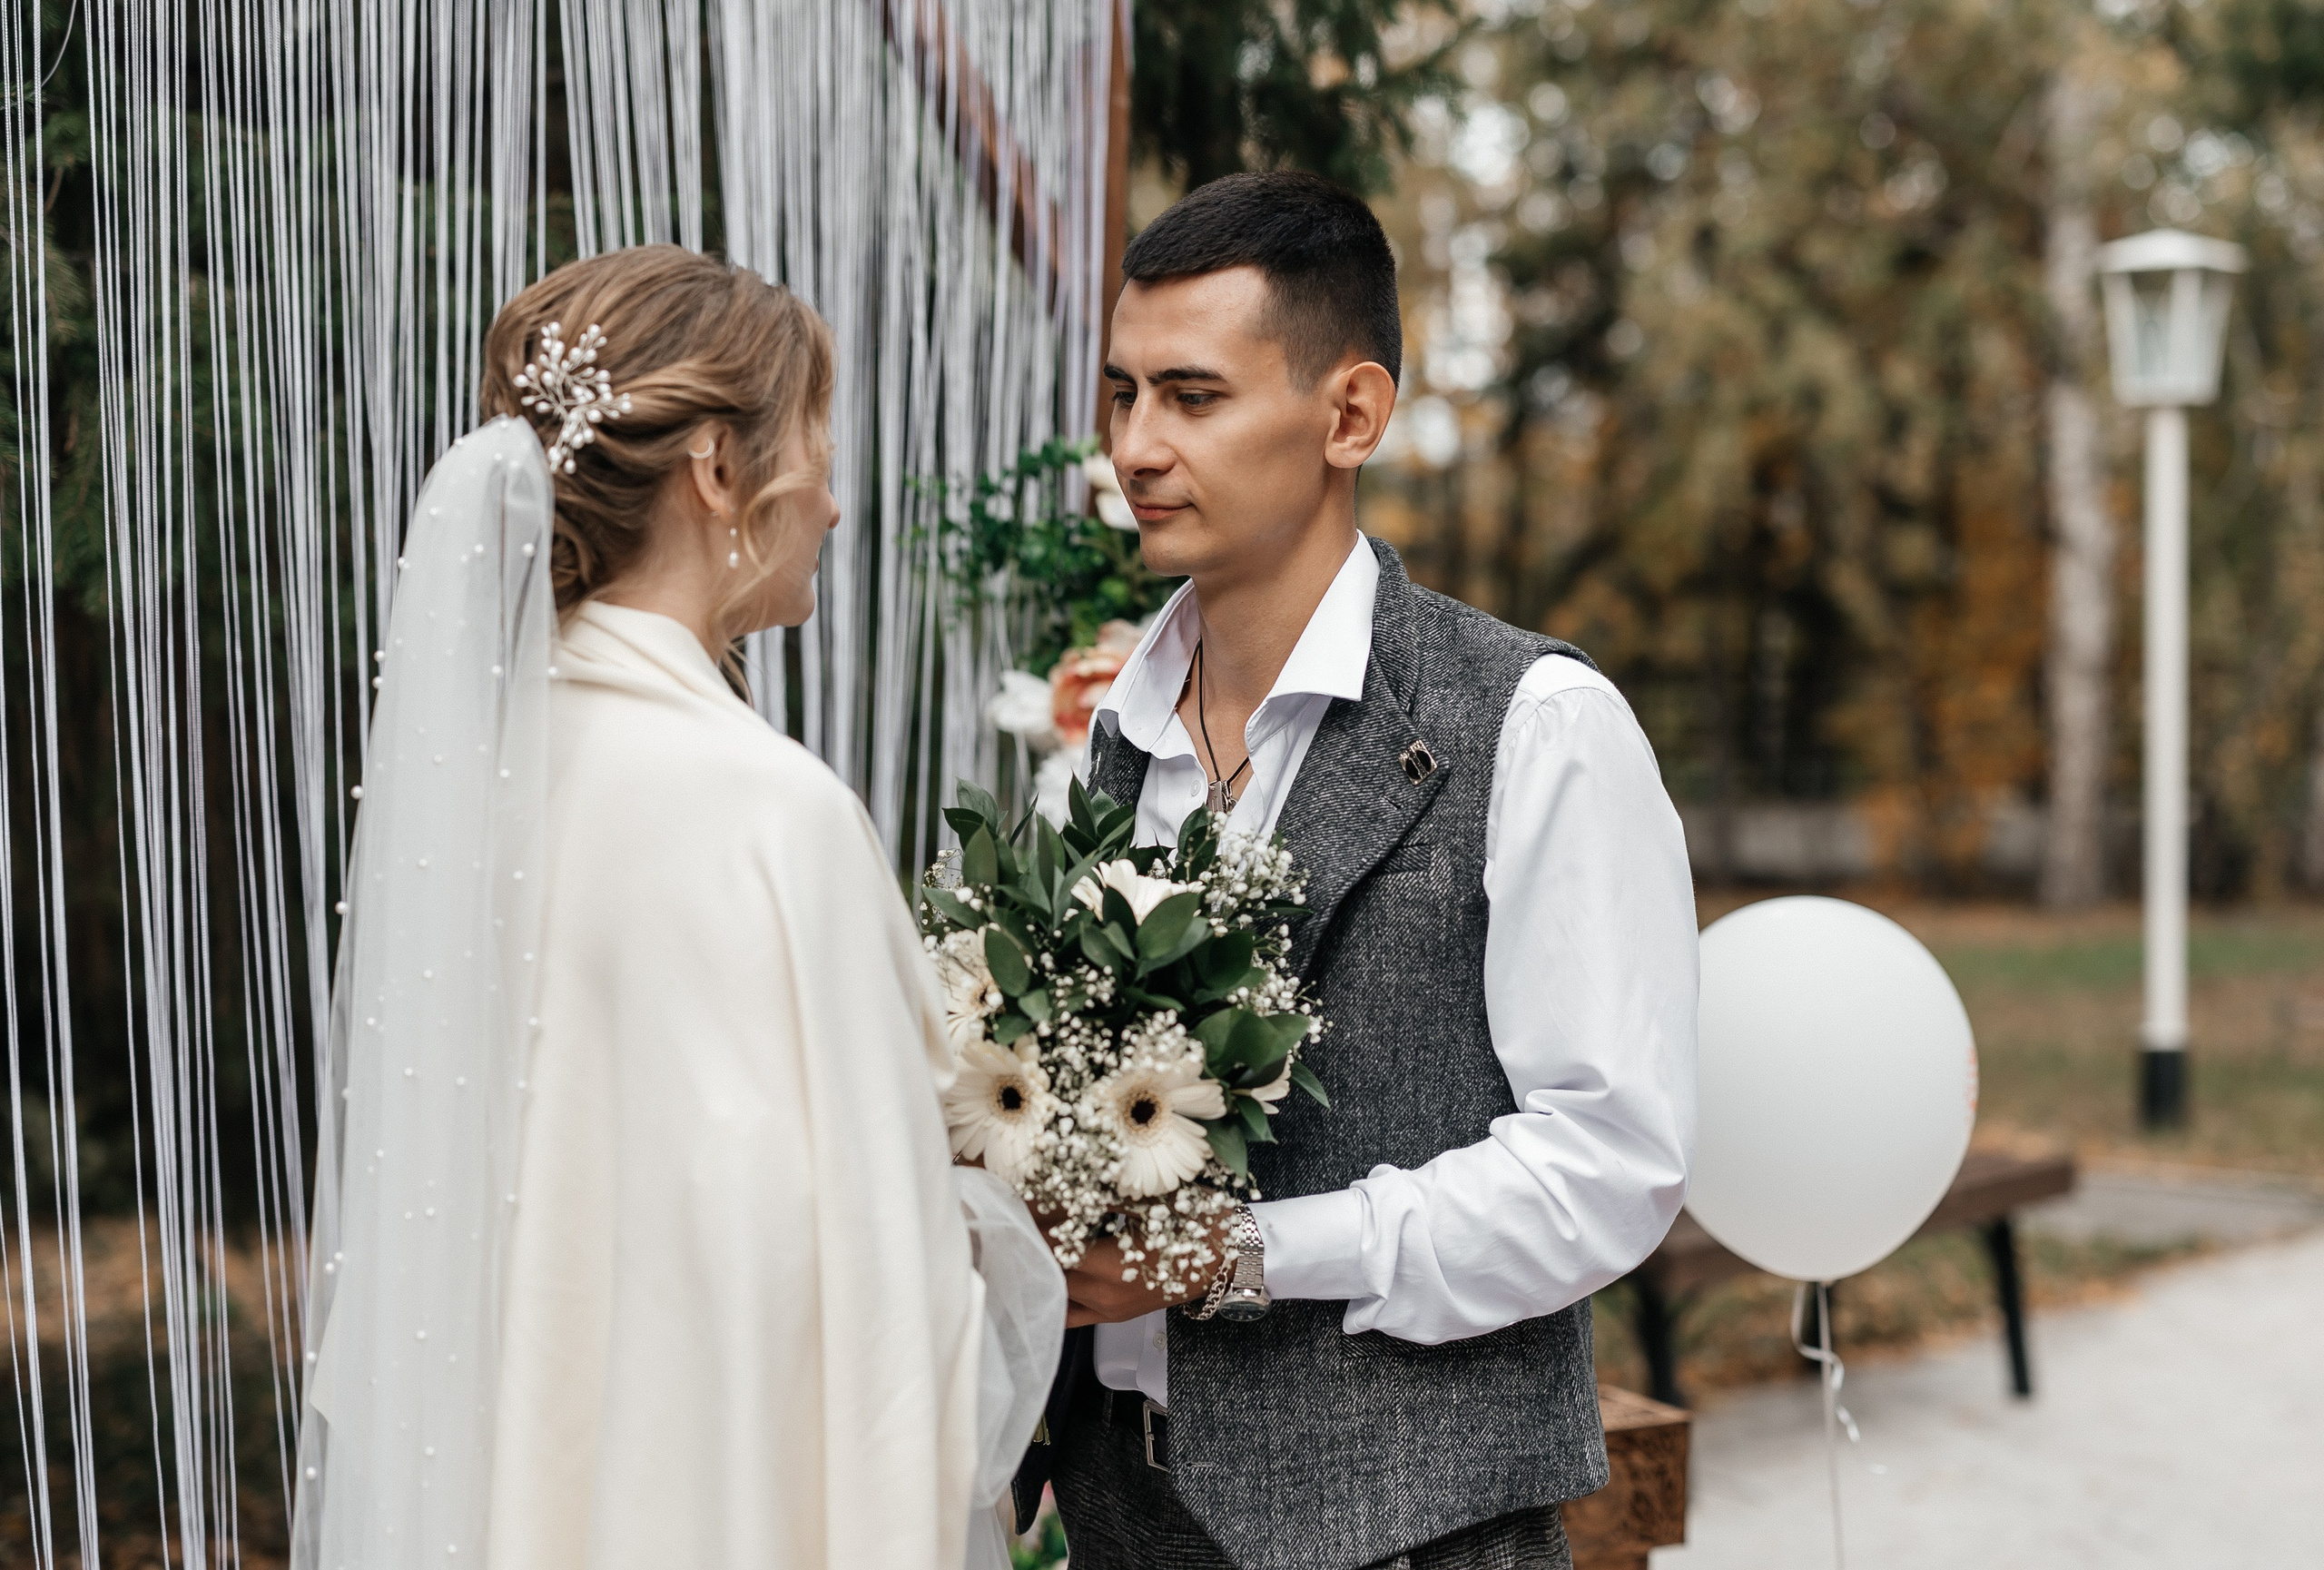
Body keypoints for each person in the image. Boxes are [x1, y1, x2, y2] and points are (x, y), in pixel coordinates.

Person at [291, 245, 1060, 1570]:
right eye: (816, 444)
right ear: (718, 469)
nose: (830, 501)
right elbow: (880, 1316)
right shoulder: (776, 818)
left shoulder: (470, 793)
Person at [1021, 173, 1699, 1570]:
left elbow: (1611, 1164)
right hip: (1115, 1514)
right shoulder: (1099, 752)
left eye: (1193, 397)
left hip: (1413, 1531)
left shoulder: (1535, 722)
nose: (1137, 448)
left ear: (1351, 414)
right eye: (1121, 395)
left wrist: (1247, 1252)